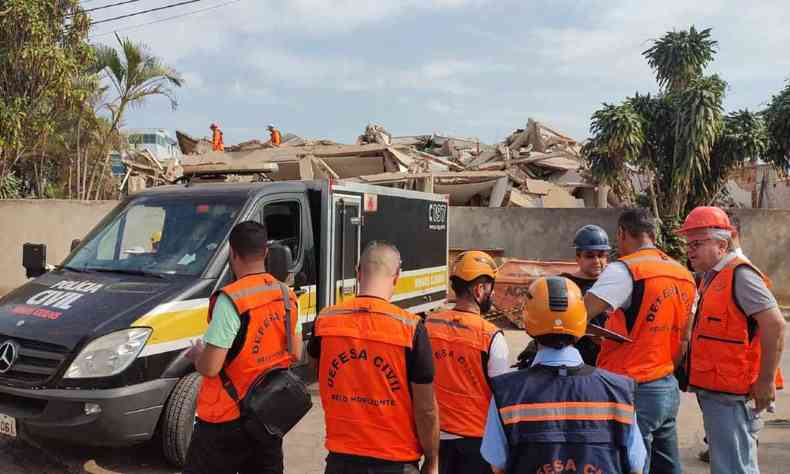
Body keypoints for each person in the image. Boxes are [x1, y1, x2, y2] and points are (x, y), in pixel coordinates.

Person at [481, 276, 646, 474]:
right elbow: (636, 467)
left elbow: (498, 467)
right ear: (580, 323)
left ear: (528, 323)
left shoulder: (507, 393)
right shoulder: (620, 391)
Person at [308, 241, 439, 474]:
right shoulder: (410, 329)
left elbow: (317, 371)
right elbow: (425, 409)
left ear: (358, 272)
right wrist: (432, 458)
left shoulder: (326, 321)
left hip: (341, 460)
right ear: (397, 277)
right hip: (395, 461)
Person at [583, 209, 696, 474]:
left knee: (632, 464)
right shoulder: (683, 274)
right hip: (666, 385)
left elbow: (579, 314)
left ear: (622, 233)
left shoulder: (626, 270)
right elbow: (684, 337)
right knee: (666, 465)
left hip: (632, 385)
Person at [183, 221, 301, 474]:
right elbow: (296, 353)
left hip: (225, 420)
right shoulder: (286, 295)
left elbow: (211, 367)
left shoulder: (231, 300)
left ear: (232, 253)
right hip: (269, 413)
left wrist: (197, 355)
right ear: (266, 253)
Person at [678, 206, 786, 474]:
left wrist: (765, 380)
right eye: (689, 244)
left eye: (698, 243)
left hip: (733, 395)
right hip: (717, 390)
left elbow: (775, 325)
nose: (691, 250)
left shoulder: (741, 275)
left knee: (734, 468)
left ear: (722, 244)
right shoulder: (713, 276)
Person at [424, 251, 509, 474]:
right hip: (476, 442)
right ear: (479, 290)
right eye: (491, 287)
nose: (492, 293)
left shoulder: (427, 326)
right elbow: (502, 398)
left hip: (434, 439)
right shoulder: (491, 337)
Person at [514, 224, 611, 369]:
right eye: (590, 255)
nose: (597, 261)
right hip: (565, 361)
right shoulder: (563, 285)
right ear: (578, 257)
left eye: (601, 255)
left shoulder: (612, 286)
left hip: (602, 360)